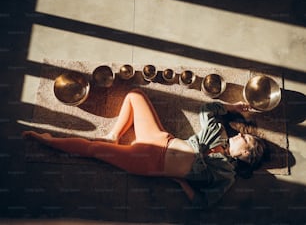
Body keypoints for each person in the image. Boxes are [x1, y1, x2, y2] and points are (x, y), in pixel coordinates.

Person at [22, 88, 266, 209]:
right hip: (160, 138)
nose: (239, 134)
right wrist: (232, 109)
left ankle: (48, 141)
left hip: (150, 164)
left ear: (246, 155)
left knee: (93, 150)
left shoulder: (227, 176)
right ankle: (114, 135)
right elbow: (206, 110)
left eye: (244, 139)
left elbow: (204, 203)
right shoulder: (218, 135)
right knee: (134, 95)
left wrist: (181, 182)